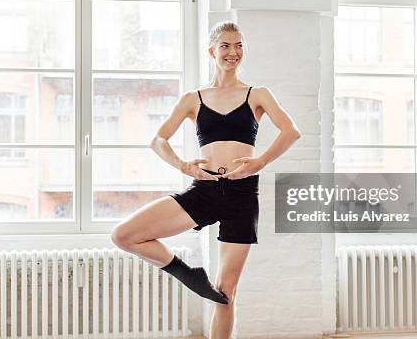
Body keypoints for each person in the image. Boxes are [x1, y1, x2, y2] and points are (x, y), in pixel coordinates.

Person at [111, 21, 301, 338]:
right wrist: (184, 166)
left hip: (242, 196)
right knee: (123, 235)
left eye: (239, 45)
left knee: (225, 294)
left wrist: (259, 162)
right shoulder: (193, 98)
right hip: (205, 191)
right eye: (225, 45)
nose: (233, 52)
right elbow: (158, 140)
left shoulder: (257, 94)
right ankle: (188, 275)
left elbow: (291, 131)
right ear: (212, 50)